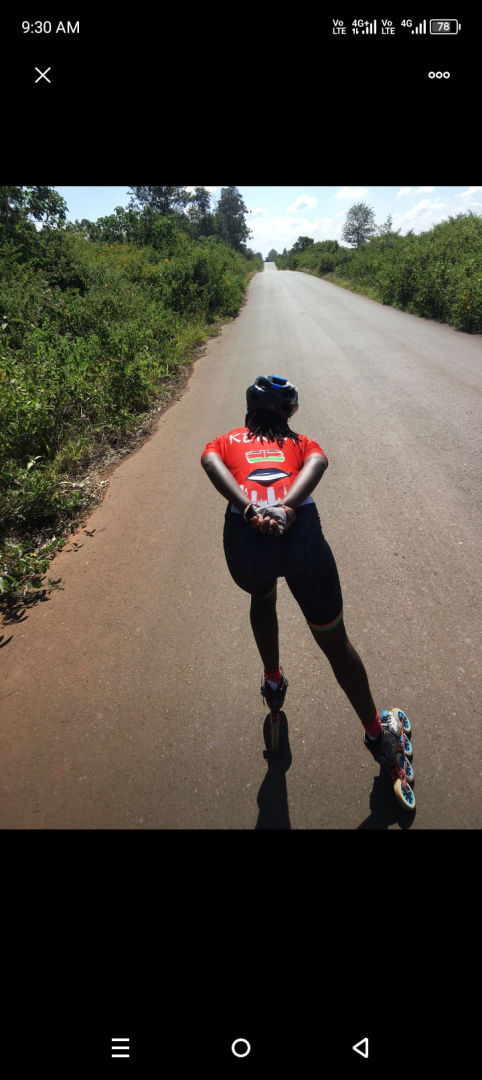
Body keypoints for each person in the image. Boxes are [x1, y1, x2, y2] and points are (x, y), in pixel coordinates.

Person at [201, 374, 403, 766]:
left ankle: (273, 682)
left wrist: (250, 508)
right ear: (287, 412)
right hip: (300, 537)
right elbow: (318, 462)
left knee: (263, 596)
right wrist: (286, 507)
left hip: (245, 541)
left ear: (250, 411)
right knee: (334, 640)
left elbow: (210, 462)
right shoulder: (299, 441)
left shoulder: (225, 440)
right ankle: (377, 735)